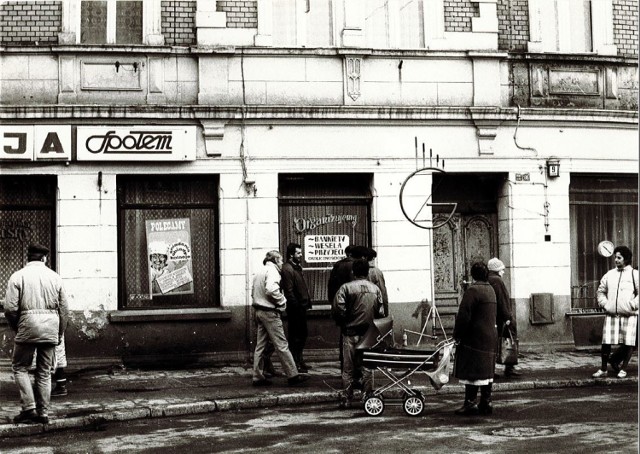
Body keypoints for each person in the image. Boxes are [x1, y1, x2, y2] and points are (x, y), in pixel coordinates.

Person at [4, 243, 69, 424]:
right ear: (44, 259)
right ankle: (43, 413)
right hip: (50, 329)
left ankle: (29, 408)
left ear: (28, 258)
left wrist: (17, 326)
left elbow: (10, 309)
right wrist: (59, 333)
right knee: (44, 371)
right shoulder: (56, 278)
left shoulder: (17, 277)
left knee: (19, 367)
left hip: (26, 327)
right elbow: (64, 310)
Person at [251, 250, 309, 387]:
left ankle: (257, 376)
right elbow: (271, 289)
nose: (282, 263)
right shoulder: (272, 272)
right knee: (282, 344)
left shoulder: (260, 271)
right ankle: (293, 375)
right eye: (281, 260)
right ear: (276, 260)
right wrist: (282, 301)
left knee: (260, 345)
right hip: (270, 312)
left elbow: (254, 290)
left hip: (259, 310)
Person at [332, 258, 383, 408]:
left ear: (353, 272)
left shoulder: (345, 288)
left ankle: (347, 398)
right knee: (367, 367)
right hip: (368, 334)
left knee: (348, 368)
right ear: (367, 272)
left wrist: (345, 321)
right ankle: (367, 397)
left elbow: (338, 309)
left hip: (350, 332)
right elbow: (381, 312)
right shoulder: (375, 289)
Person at [453, 261, 497, 416]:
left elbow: (464, 316)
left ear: (473, 274)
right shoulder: (490, 289)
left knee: (472, 371)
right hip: (490, 336)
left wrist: (457, 335)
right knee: (486, 371)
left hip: (474, 338)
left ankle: (470, 402)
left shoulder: (473, 291)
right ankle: (486, 401)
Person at [593, 245, 639, 379]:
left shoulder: (635, 274)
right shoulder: (610, 274)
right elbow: (600, 291)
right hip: (612, 313)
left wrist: (633, 305)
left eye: (619, 257)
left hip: (629, 314)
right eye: (615, 258)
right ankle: (603, 369)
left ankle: (623, 369)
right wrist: (606, 304)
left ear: (626, 259)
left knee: (629, 342)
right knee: (606, 342)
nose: (616, 260)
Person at [487, 257, 521, 378]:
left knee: (493, 343)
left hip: (492, 316)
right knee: (509, 341)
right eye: (501, 269)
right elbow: (501, 300)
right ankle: (509, 367)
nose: (503, 271)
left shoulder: (488, 279)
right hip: (501, 317)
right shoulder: (497, 280)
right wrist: (507, 317)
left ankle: (492, 369)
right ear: (496, 270)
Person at [281, 242, 312, 373]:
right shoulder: (288, 269)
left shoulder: (296, 267)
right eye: (298, 253)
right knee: (296, 336)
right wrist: (296, 306)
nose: (301, 255)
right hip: (296, 309)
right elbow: (288, 291)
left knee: (302, 334)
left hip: (301, 307)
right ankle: (295, 363)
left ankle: (299, 360)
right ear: (291, 254)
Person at [367, 248, 389, 317]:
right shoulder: (376, 272)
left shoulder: (357, 271)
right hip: (374, 307)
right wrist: (385, 310)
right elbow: (382, 292)